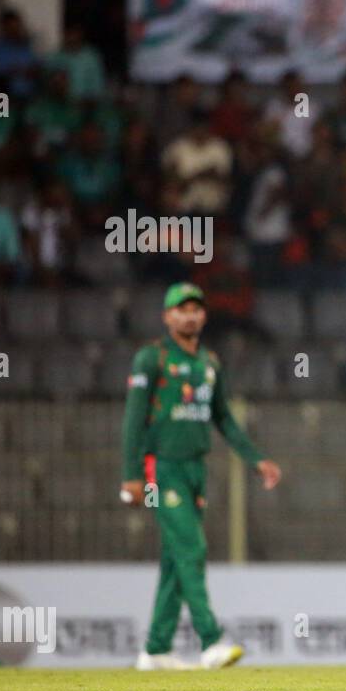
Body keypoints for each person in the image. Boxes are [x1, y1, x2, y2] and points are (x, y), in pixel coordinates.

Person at [120, 283, 282, 671]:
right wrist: (130, 476)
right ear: (167, 317)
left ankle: (156, 649)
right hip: (158, 472)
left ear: (204, 316)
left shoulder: (209, 363)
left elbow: (223, 417)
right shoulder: (151, 359)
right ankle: (211, 642)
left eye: (195, 309)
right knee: (191, 549)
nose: (189, 315)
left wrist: (255, 459)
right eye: (181, 309)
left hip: (195, 471)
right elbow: (133, 419)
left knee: (176, 556)